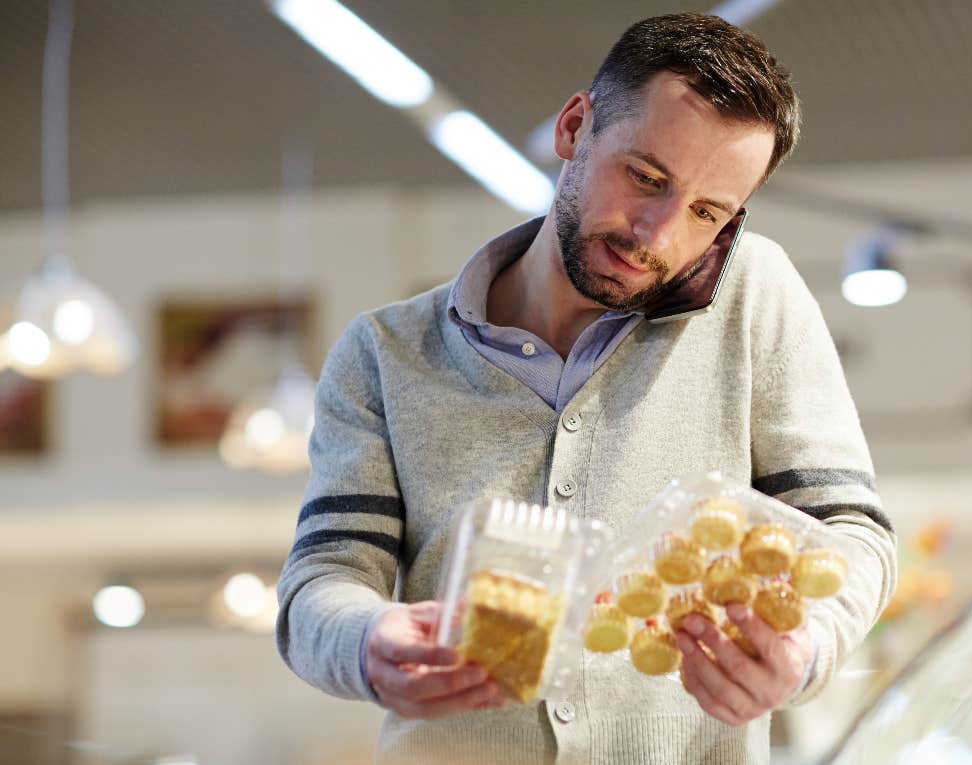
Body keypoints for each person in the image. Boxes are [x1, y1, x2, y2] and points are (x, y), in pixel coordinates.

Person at [276, 12, 896, 765]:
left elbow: (852, 535)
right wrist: (364, 641)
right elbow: (326, 575)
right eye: (645, 177)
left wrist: (808, 646)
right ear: (574, 127)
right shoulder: (385, 353)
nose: (657, 234)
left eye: (708, 213)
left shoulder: (753, 295)